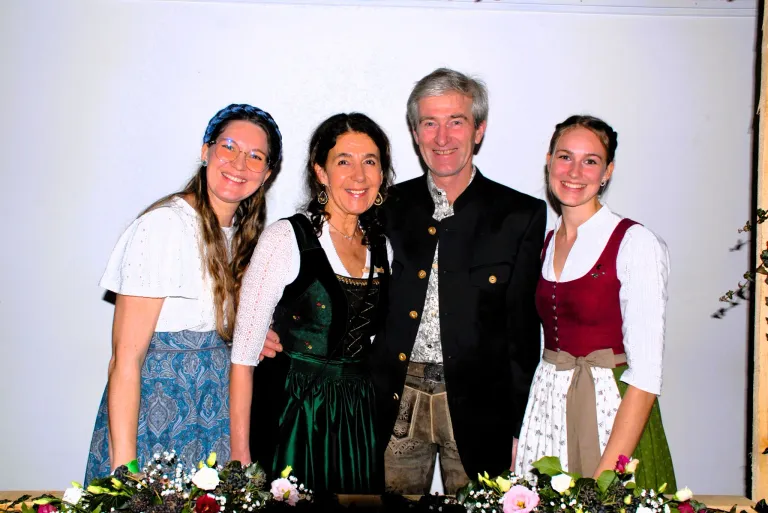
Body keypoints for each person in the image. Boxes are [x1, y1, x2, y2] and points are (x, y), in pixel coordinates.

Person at [369, 68, 547, 495]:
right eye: (430, 123)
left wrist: (519, 426)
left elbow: (523, 334)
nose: (442, 137)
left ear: (479, 129)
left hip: (481, 408)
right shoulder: (385, 205)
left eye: (456, 121)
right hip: (395, 402)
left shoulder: (519, 215)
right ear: (415, 133)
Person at [84, 104, 283, 483]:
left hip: (214, 418)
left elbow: (213, 323)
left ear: (267, 174)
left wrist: (247, 336)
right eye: (229, 147)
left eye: (255, 156)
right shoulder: (162, 227)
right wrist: (126, 474)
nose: (239, 164)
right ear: (206, 151)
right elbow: (125, 361)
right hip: (155, 422)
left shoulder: (244, 236)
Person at [229, 113, 394, 494]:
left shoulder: (382, 246)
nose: (358, 175)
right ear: (321, 172)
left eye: (370, 161)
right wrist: (240, 455)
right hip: (294, 412)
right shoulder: (285, 238)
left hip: (356, 418)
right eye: (343, 161)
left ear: (381, 174)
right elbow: (244, 355)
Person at [514, 115, 676, 489]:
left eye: (590, 161)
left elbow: (646, 377)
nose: (574, 172)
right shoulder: (546, 242)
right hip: (548, 407)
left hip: (609, 408)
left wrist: (606, 475)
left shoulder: (635, 243)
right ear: (549, 161)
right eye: (565, 157)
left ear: (607, 171)